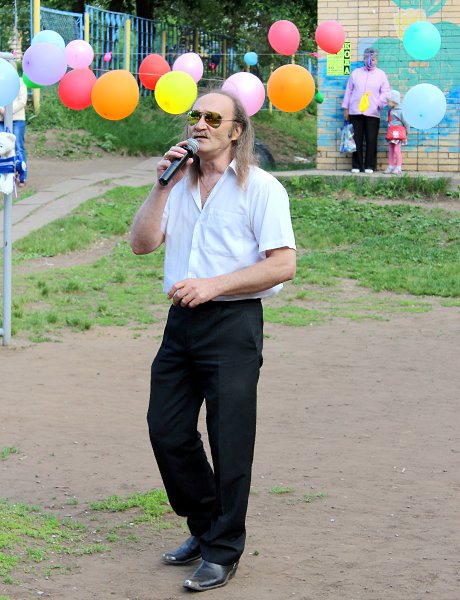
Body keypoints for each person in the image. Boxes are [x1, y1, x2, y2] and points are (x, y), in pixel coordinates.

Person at [130, 89, 296, 592]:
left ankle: (223, 550)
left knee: (230, 440)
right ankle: (205, 527)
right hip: (181, 323)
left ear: (236, 131)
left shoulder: (261, 188)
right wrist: (161, 186)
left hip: (233, 324)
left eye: (213, 118)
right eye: (195, 116)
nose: (200, 124)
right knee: (167, 430)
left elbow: (283, 264)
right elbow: (141, 244)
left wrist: (214, 285)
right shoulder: (176, 183)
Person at [342, 47, 390, 174]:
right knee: (355, 139)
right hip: (355, 111)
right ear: (364, 59)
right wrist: (346, 108)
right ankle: (356, 165)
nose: (370, 62)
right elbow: (349, 91)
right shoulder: (356, 73)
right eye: (368, 59)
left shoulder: (381, 74)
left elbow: (386, 92)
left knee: (371, 139)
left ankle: (370, 165)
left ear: (376, 60)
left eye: (373, 59)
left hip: (373, 113)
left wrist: (378, 104)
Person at [0, 60, 28, 188]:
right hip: (1, 119)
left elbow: (22, 101)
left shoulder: (20, 82)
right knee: (1, 147)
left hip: (17, 119)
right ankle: (4, 175)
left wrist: (8, 112)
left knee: (18, 146)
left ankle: (22, 175)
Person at [384, 89, 409, 175]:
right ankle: (391, 166)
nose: (387, 103)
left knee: (397, 150)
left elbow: (406, 123)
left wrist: (406, 132)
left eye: (388, 101)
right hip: (392, 133)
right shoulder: (391, 110)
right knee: (391, 149)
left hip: (398, 134)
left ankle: (398, 167)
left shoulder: (401, 111)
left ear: (394, 101)